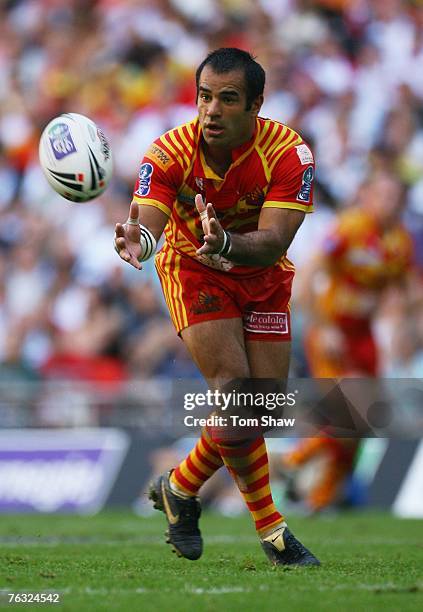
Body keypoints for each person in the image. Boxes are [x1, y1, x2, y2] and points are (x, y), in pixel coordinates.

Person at [114, 48, 320, 566]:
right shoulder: (169, 151)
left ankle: (179, 488)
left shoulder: (290, 154)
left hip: (262, 275)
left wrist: (227, 242)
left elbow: (273, 241)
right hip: (194, 269)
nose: (211, 110)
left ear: (256, 105)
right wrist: (139, 238)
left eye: (228, 100)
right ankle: (275, 535)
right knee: (233, 387)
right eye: (205, 97)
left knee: (261, 406)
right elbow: (150, 218)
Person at [281, 172, 414, 512]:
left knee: (362, 424)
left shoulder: (400, 241)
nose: (389, 203)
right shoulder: (349, 229)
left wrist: (401, 326)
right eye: (382, 195)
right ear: (367, 196)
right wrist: (323, 326)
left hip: (363, 335)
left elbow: (403, 289)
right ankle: (295, 461)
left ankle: (318, 497)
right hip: (332, 332)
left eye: (395, 197)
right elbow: (311, 273)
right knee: (351, 414)